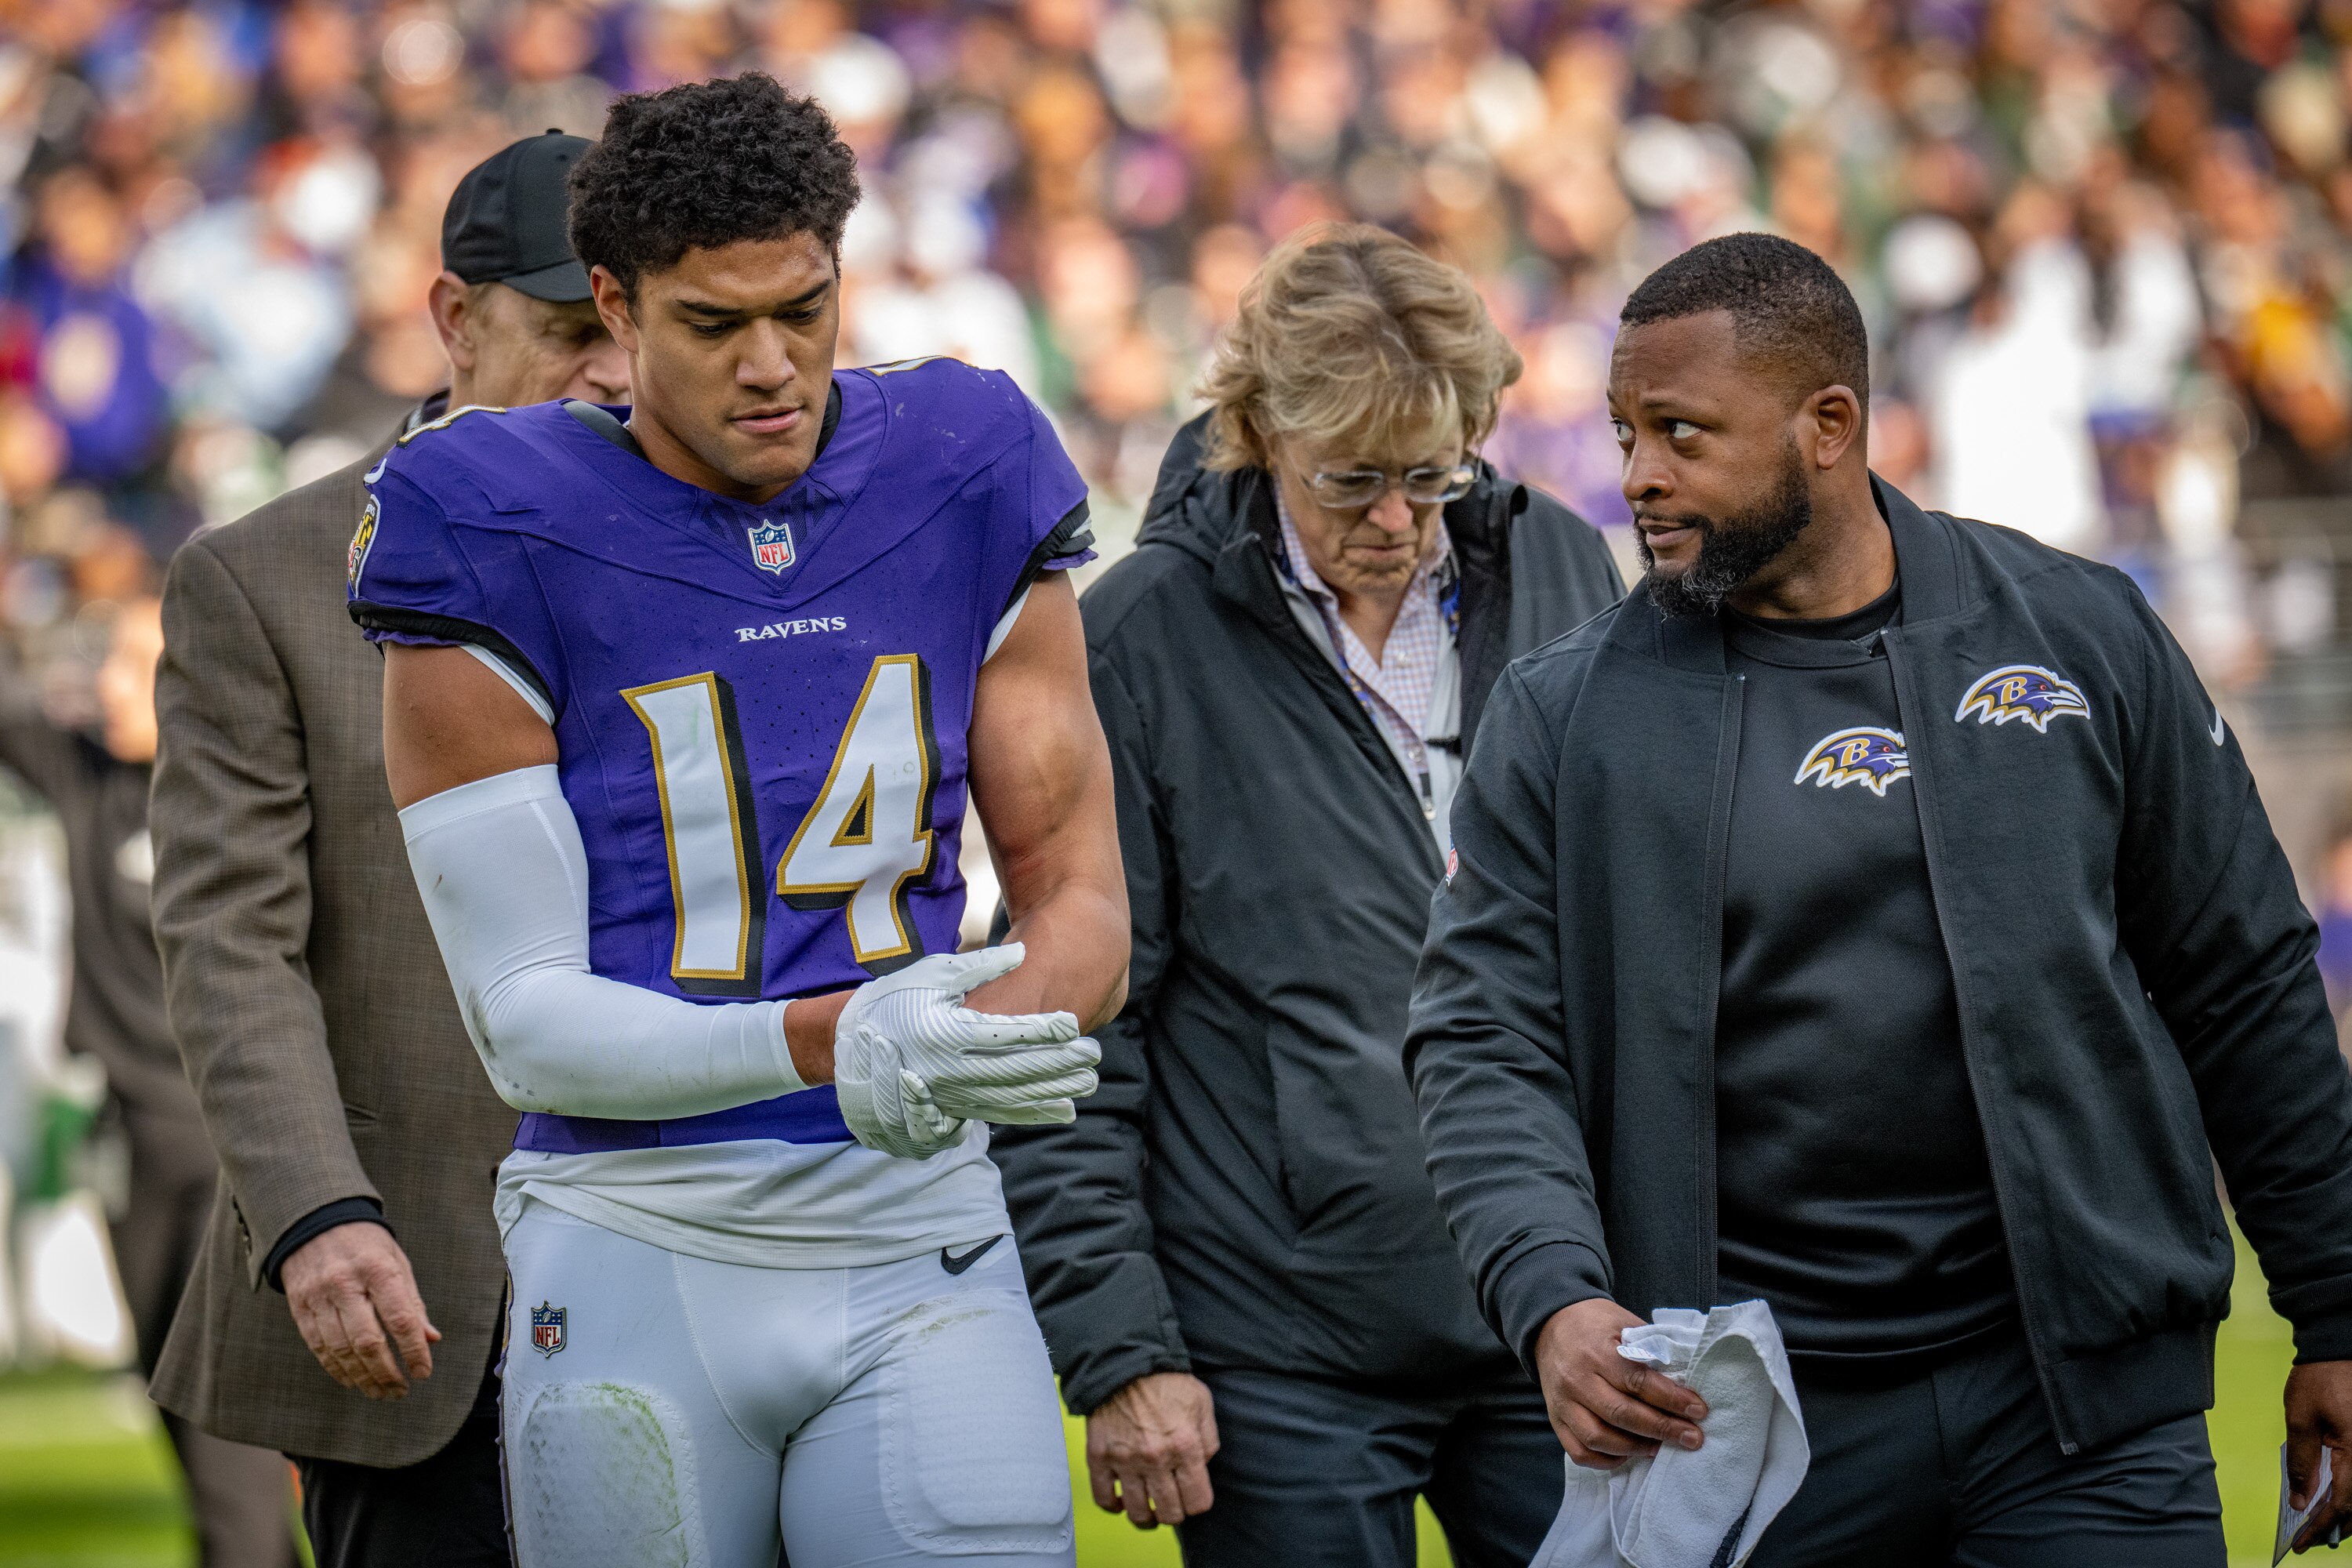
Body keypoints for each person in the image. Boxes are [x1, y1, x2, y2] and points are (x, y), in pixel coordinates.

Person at [1406, 230, 2352, 1564]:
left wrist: (2338, 1308)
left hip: (2081, 1414)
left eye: (1680, 434)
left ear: (1828, 425)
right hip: (1758, 1431)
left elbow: (2243, 977)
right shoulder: (1567, 714)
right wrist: (1553, 1296)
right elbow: (1483, 1038)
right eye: (1625, 434)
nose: (1638, 480)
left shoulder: (2080, 634)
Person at [349, 75, 1127, 1568]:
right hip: (637, 1230)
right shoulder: (481, 509)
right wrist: (842, 1041)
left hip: (920, 1225)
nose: (775, 367)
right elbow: (523, 1022)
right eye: (713, 325)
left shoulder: (963, 455)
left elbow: (1083, 894)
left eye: (807, 308)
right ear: (615, 308)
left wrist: (982, 1035)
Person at [993, 223, 1622, 1565]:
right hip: (1278, 1356)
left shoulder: (1565, 565)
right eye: (1351, 481)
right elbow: (1070, 1024)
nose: (1396, 522)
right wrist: (1120, 1353)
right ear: (1259, 431)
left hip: (1559, 1309)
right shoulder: (1141, 639)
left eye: (1429, 475)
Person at [149, 129, 627, 1568]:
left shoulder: (733, 551)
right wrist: (314, 1213)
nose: (610, 372)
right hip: (409, 1280)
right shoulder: (264, 580)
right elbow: (229, 938)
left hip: (698, 1263)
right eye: (567, 333)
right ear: (454, 321)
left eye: (632, 329)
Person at [0, 594, 299, 1566]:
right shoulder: (86, 772)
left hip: (232, 1152)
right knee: (169, 1400)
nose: (110, 685)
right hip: (136, 1148)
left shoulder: (244, 794)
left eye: (137, 665)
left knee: (230, 1445)